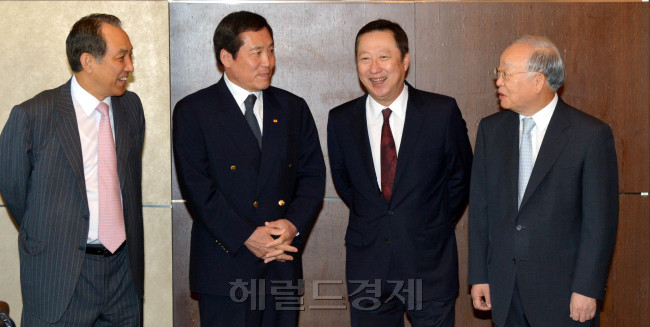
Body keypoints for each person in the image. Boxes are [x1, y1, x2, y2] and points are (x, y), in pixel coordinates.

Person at [172, 11, 326, 327]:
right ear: (226, 57)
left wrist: (292, 226)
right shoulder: (194, 111)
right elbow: (197, 190)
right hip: (224, 265)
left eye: (270, 50)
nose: (267, 61)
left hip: (280, 260)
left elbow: (312, 177)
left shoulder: (292, 107)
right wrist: (245, 235)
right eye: (256, 52)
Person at [0, 13, 145, 325]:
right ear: (88, 61)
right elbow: (14, 192)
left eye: (131, 55)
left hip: (123, 275)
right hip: (61, 276)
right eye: (122, 57)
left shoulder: (131, 109)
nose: (130, 66)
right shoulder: (33, 115)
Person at [327, 19, 473, 327]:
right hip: (368, 267)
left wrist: (428, 221)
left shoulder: (440, 112)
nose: (374, 67)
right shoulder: (341, 120)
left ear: (404, 61)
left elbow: (460, 179)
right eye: (364, 58)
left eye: (383, 56)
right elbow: (346, 185)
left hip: (429, 265)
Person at [468, 35, 618, 327]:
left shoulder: (589, 136)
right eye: (498, 73)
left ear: (538, 82)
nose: (498, 81)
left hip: (563, 293)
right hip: (505, 289)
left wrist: (587, 288)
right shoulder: (490, 131)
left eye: (506, 73)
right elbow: (481, 211)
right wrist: (479, 276)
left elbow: (599, 223)